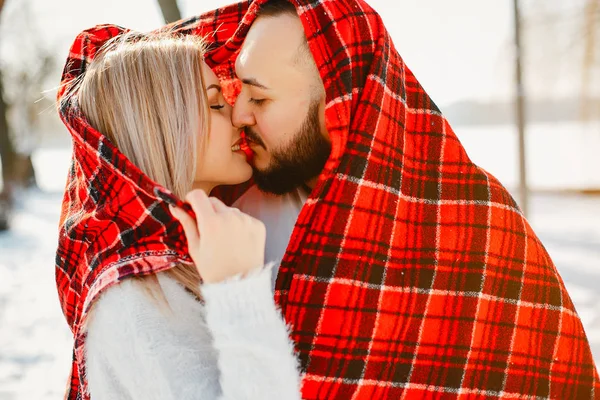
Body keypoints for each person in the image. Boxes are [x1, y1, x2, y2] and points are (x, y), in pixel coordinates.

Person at [201, 0, 600, 398]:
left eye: (259, 98)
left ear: (340, 103)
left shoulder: (478, 222)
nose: (238, 115)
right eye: (236, 90)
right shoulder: (227, 213)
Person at [55, 30, 301, 400]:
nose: (237, 116)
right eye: (216, 104)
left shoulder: (184, 257)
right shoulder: (132, 300)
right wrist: (239, 293)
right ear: (164, 125)